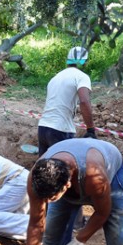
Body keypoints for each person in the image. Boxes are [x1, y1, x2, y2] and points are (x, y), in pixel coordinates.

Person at [37, 46, 96, 229]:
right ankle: (77, 222)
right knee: (70, 174)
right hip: (61, 130)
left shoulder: (56, 77)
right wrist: (91, 129)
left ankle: (43, 215)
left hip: (43, 127)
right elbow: (84, 101)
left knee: (46, 173)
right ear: (84, 61)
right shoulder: (81, 77)